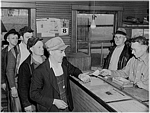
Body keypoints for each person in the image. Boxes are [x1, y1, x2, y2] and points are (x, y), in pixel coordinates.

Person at [30, 37, 91, 112]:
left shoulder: (64, 63)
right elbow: (33, 94)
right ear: (51, 52)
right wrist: (54, 101)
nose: (64, 54)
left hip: (66, 106)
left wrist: (80, 75)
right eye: (61, 51)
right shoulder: (40, 71)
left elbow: (74, 69)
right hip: (50, 109)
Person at [6, 26, 34, 112]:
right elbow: (9, 70)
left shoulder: (34, 49)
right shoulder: (14, 51)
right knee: (17, 108)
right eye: (27, 37)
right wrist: (13, 87)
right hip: (18, 82)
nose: (30, 39)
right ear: (21, 38)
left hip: (32, 81)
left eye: (31, 37)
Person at [18, 37, 46, 112]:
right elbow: (22, 87)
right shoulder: (25, 66)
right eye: (39, 47)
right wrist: (26, 104)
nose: (42, 49)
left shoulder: (47, 61)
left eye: (42, 47)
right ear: (31, 49)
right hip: (34, 102)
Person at [1, 29, 20, 111]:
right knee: (13, 103)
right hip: (9, 81)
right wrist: (2, 82)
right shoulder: (3, 53)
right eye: (13, 38)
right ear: (7, 40)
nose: (15, 40)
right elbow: (2, 68)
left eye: (16, 38)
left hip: (18, 80)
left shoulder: (18, 50)